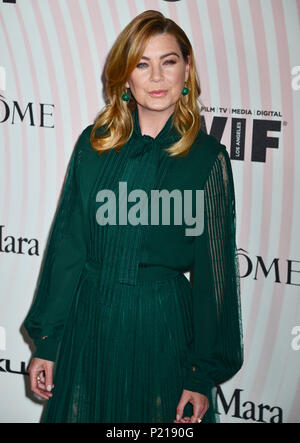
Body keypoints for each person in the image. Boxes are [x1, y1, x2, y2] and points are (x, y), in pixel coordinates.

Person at [23, 10, 243, 423]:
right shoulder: (93, 146)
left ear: (187, 69)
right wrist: (48, 341)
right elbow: (68, 248)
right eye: (142, 64)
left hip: (161, 330)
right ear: (126, 76)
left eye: (169, 61)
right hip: (90, 323)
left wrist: (201, 375)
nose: (157, 77)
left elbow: (215, 276)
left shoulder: (207, 159)